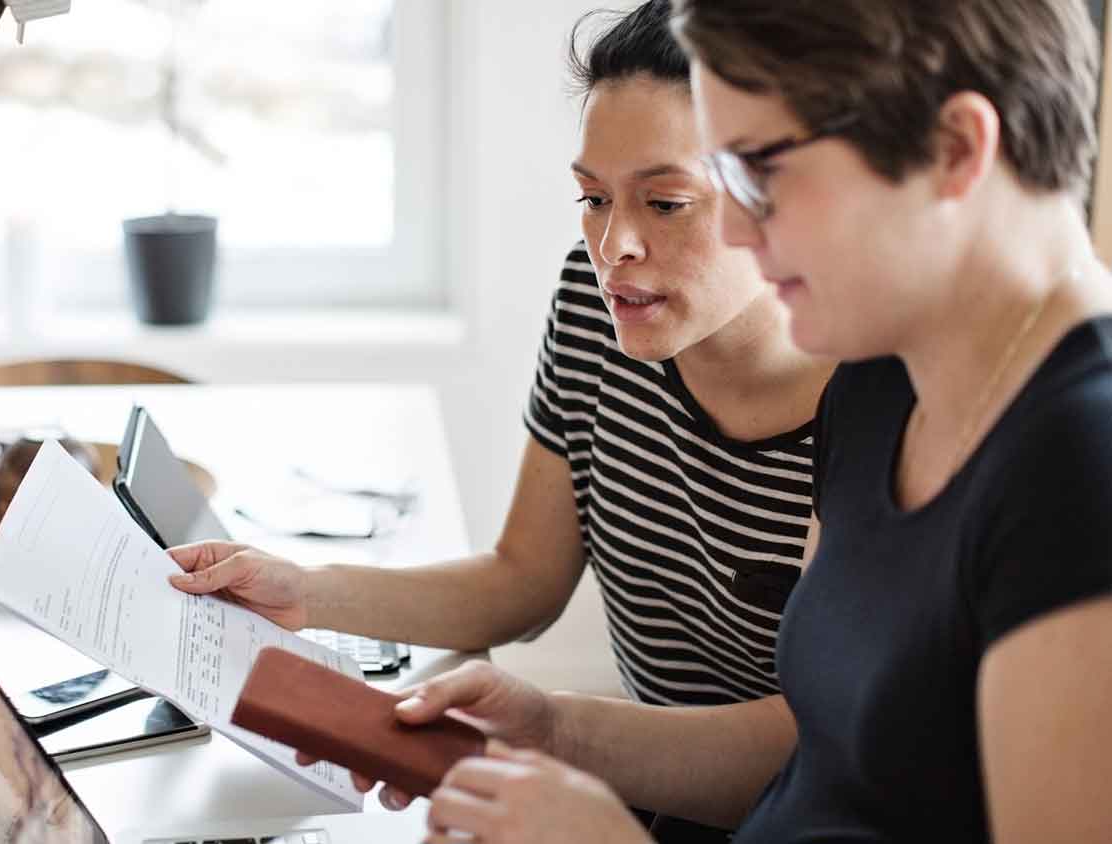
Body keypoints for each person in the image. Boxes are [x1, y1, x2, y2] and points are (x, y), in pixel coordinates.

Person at [339, 1, 1112, 841]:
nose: (739, 226)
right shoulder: (879, 384)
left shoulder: (1082, 465)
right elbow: (819, 763)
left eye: (765, 171)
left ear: (956, 150)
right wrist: (554, 733)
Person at [170, 0, 833, 712]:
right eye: (593, 197)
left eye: (665, 203)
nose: (613, 247)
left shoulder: (873, 395)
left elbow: (814, 744)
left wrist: (551, 733)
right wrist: (304, 588)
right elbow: (522, 583)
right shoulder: (595, 298)